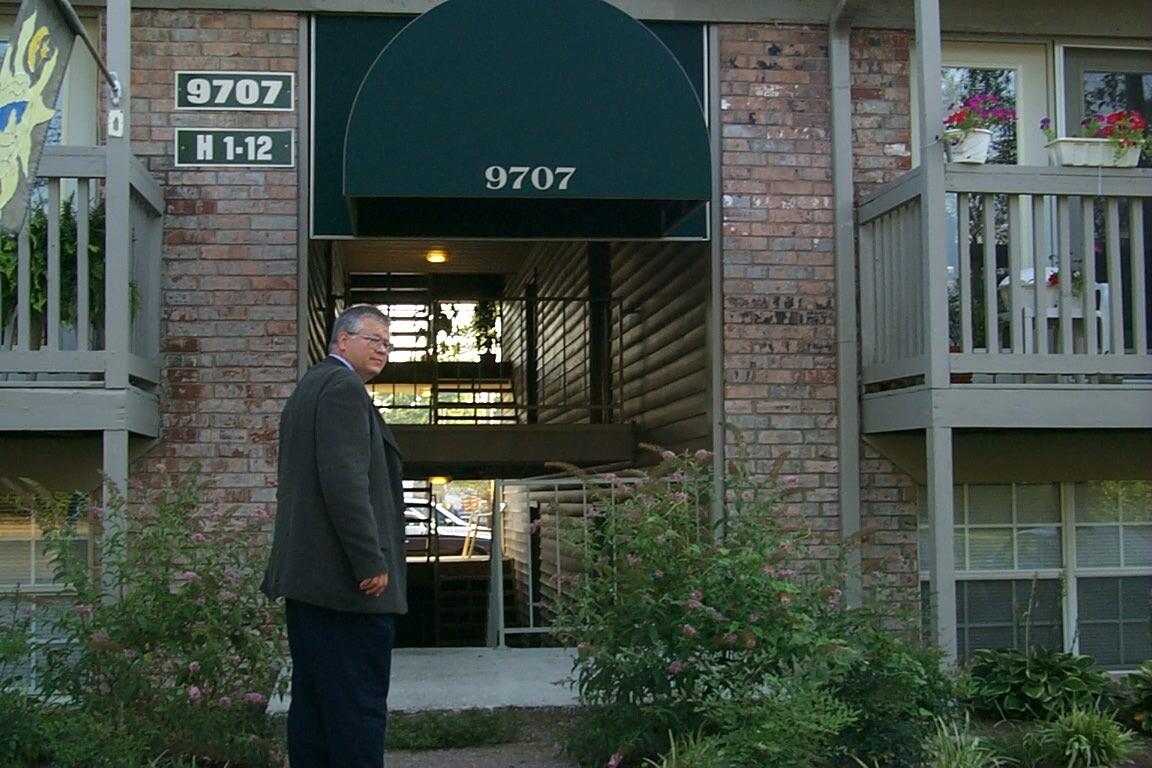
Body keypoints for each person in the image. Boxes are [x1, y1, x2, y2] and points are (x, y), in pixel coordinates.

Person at [262, 304, 407, 767]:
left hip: (310, 586)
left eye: (388, 343)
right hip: (346, 588)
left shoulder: (310, 387)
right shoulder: (343, 388)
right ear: (342, 340)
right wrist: (370, 560)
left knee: (314, 710)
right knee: (356, 714)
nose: (383, 350)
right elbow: (344, 483)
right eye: (374, 340)